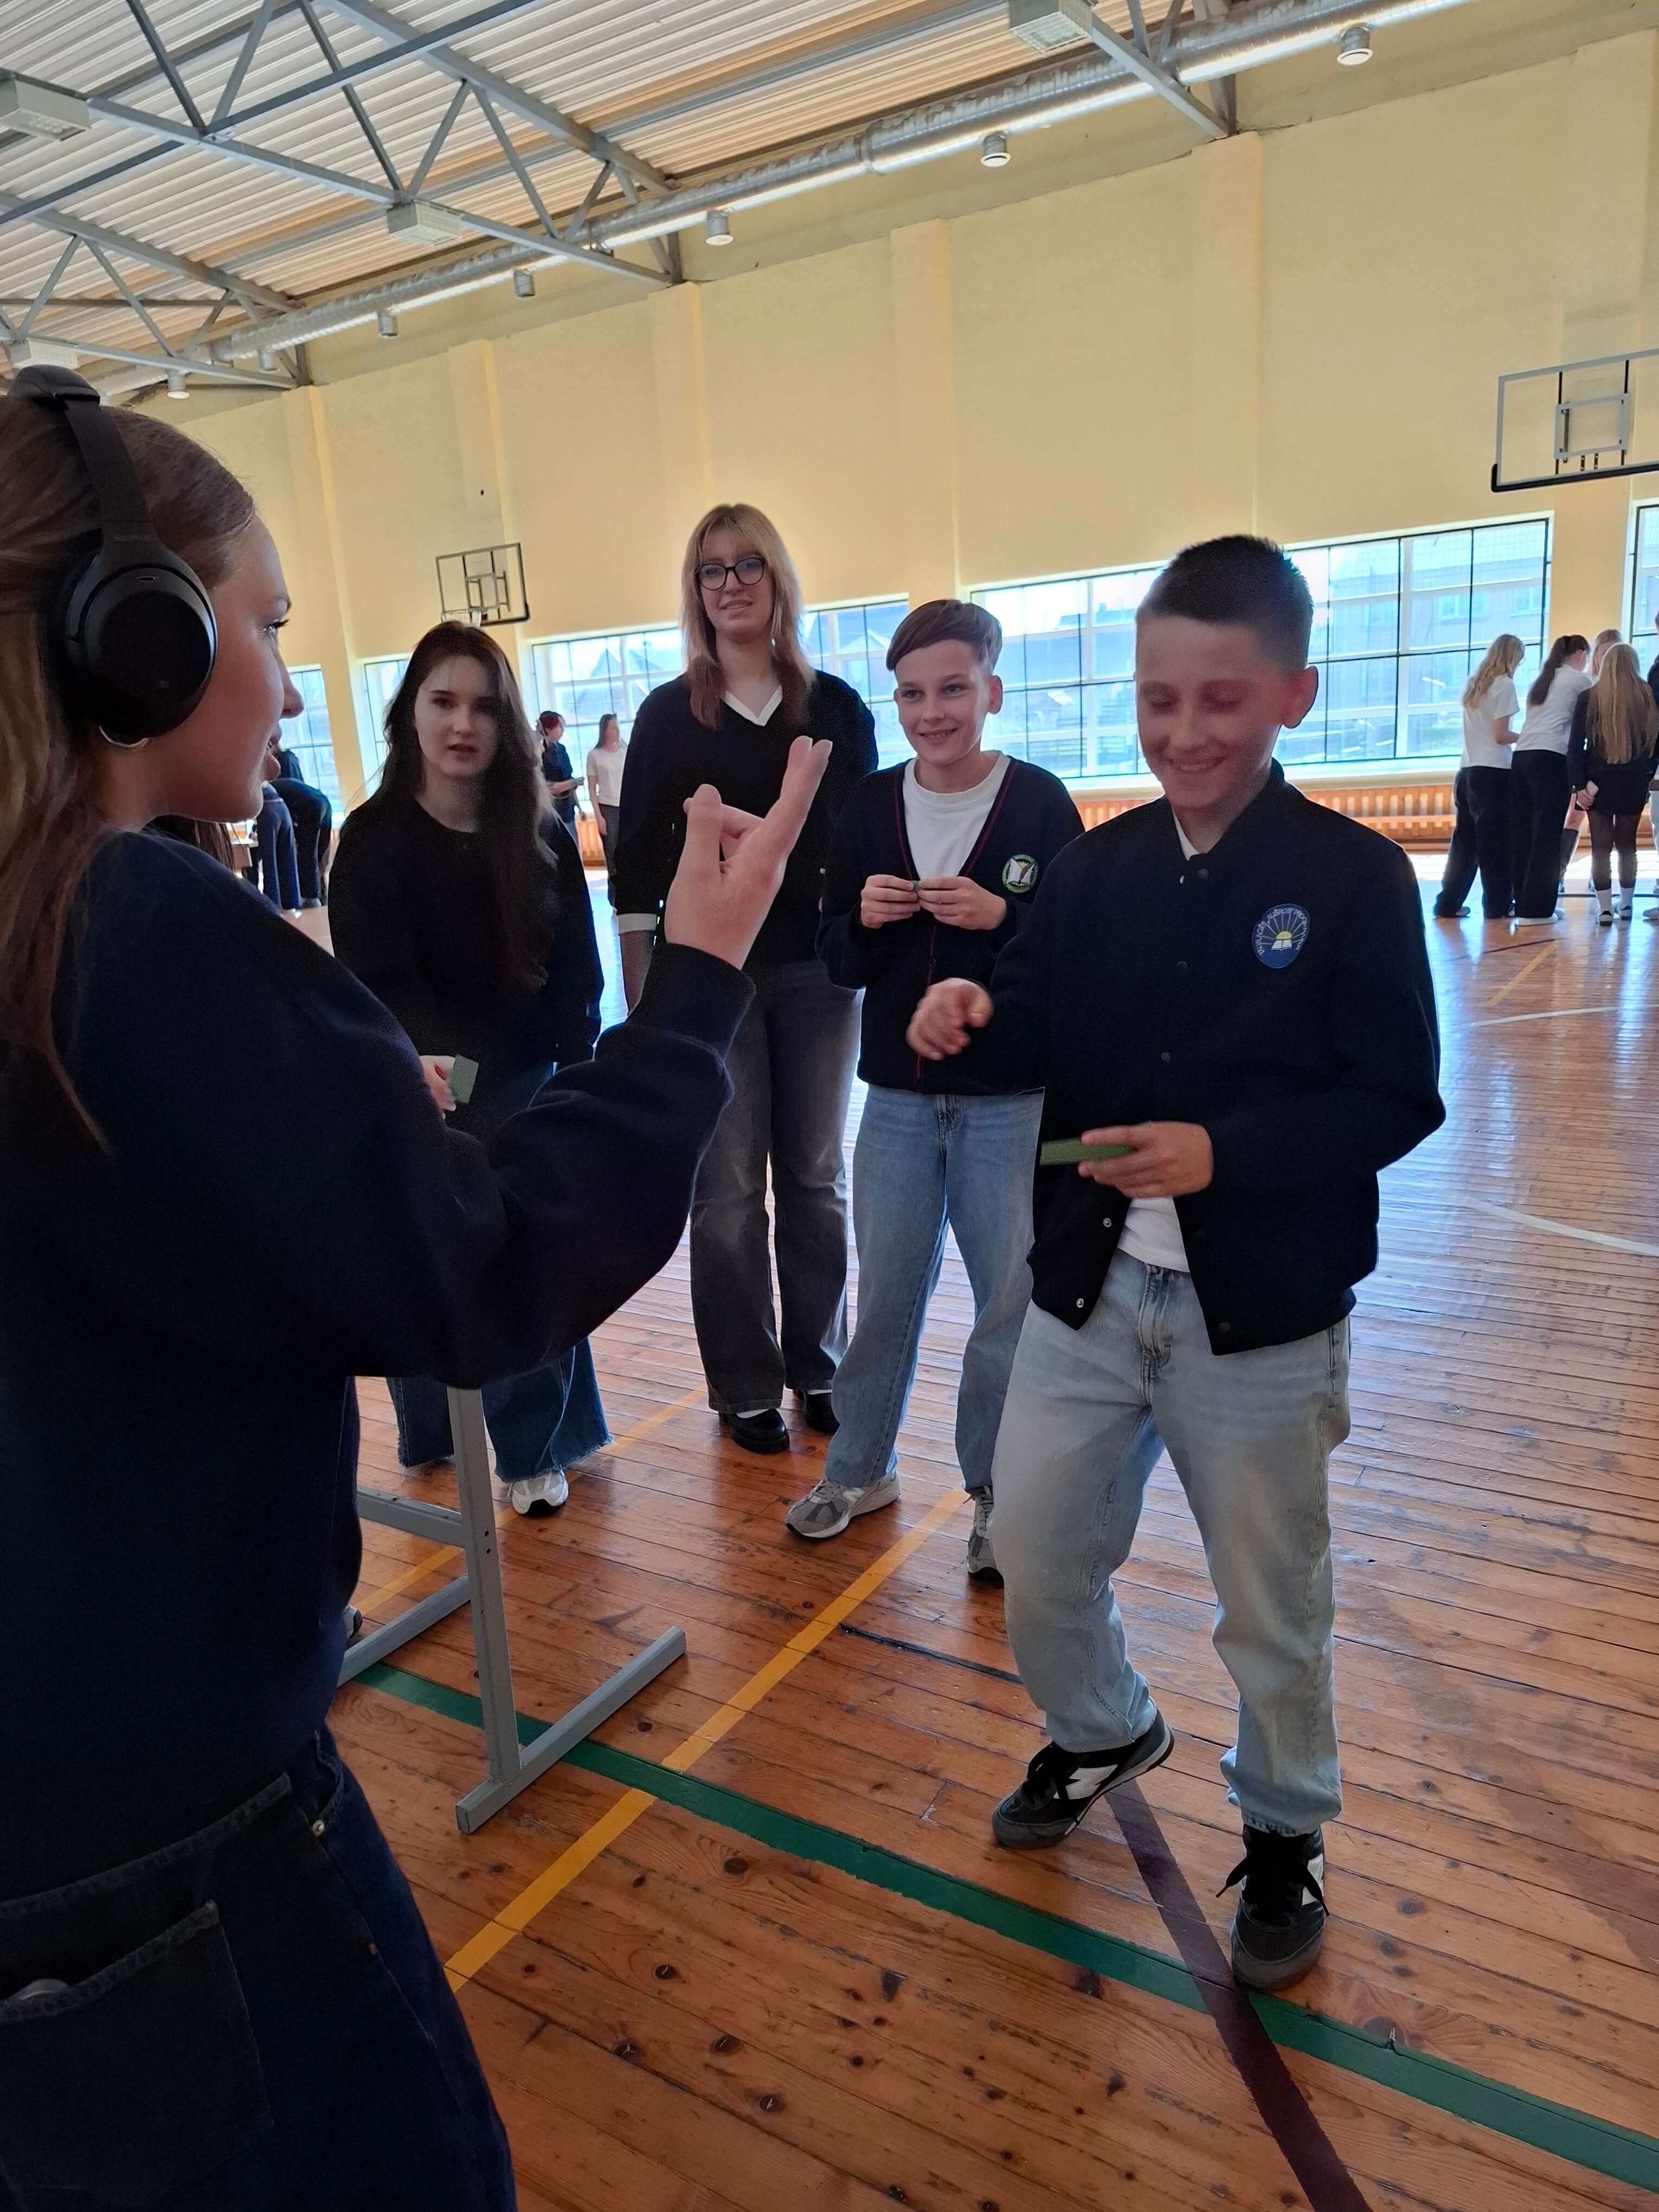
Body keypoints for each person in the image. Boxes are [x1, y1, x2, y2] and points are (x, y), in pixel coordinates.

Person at [0, 374, 827, 2205]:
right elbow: (480, 1267)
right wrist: (700, 980)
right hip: (172, 1851)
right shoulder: (124, 928)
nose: (291, 688)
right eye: (266, 624)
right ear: (132, 636)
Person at [908, 537, 1444, 1993]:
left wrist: (1227, 1154)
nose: (1184, 731)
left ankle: (1282, 1825)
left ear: (1292, 695)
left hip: (1256, 1319)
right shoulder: (1097, 870)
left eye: (1221, 698)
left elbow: (1396, 1097)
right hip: (1086, 1293)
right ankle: (1103, 1728)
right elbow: (1033, 1011)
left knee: (1272, 1606)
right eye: (1158, 699)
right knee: (1034, 1548)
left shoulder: (1352, 879)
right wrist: (971, 1007)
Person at [788, 600, 1082, 1573]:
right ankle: (859, 1467)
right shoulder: (869, 807)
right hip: (899, 1105)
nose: (932, 712)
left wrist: (1003, 915)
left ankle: (996, 1494)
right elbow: (836, 956)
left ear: (992, 691)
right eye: (912, 694)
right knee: (885, 1299)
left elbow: (1073, 957)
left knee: (1008, 1310)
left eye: (953, 689)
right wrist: (864, 923)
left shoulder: (1039, 803)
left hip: (1012, 1103)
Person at [612, 503, 877, 1455]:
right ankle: (744, 1384)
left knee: (815, 1177)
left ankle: (820, 1364)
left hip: (817, 977)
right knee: (725, 1191)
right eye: (712, 569)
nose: (730, 584)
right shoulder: (666, 716)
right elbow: (635, 873)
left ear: (778, 578)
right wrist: (645, 999)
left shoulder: (836, 709)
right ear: (696, 590)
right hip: (709, 982)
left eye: (748, 564)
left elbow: (864, 845)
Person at [330, 622, 611, 1518]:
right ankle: (434, 1431)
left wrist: (578, 1085)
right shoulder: (371, 840)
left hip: (524, 1080)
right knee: (422, 1250)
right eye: (443, 702)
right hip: (416, 1085)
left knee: (530, 1254)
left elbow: (577, 977)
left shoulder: (539, 832)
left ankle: (540, 1445)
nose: (462, 725)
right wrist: (436, 1085)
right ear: (409, 714)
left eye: (483, 708)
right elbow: (375, 989)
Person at [1567, 641, 1659, 924]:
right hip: (1633, 780)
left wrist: (1579, 785)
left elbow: (1575, 746)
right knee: (1628, 845)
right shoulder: (1647, 696)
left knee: (1600, 847)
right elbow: (1655, 745)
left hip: (1598, 782)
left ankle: (1605, 910)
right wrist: (1646, 776)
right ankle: (1627, 905)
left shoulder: (1590, 697)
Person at [1432, 633, 1522, 921]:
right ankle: (1498, 906)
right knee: (1497, 845)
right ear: (1512, 658)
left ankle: (1447, 904)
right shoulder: (1505, 685)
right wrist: (1528, 737)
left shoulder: (1475, 685)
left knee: (1464, 846)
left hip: (1467, 772)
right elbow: (1500, 736)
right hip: (1494, 774)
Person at [1510, 633, 1590, 922]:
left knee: (1524, 834)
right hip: (1550, 758)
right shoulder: (1580, 681)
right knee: (1547, 835)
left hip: (1521, 757)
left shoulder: (1541, 682)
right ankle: (1538, 910)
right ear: (1580, 654)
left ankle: (1523, 905)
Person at [269, 736, 332, 906]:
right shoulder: (277, 781)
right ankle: (319, 898)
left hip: (310, 807)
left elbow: (279, 813)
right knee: (317, 856)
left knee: (308, 854)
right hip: (321, 801)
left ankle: (311, 898)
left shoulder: (283, 766)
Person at [586, 710, 627, 898]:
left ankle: (630, 895)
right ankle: (615, 897)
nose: (617, 731)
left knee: (628, 850)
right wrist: (599, 816)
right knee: (612, 853)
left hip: (626, 806)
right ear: (605, 730)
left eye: (618, 728)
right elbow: (592, 789)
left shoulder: (625, 752)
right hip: (607, 809)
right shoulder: (595, 756)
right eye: (613, 728)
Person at [251, 773, 300, 911]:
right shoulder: (263, 779)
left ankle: (272, 905)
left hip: (268, 810)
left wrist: (255, 830)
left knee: (270, 862)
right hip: (283, 810)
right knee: (288, 859)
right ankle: (291, 904)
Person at [537, 708, 581, 832]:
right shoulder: (541, 753)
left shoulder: (562, 749)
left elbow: (569, 777)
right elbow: (548, 786)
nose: (562, 730)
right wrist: (573, 783)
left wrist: (579, 806)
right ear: (548, 729)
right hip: (551, 809)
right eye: (560, 726)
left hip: (567, 807)